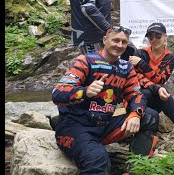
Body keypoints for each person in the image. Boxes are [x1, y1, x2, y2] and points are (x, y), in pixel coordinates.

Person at [52, 26, 159, 175]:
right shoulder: (85, 61)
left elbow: (136, 95)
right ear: (104, 40)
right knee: (99, 160)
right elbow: (57, 93)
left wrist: (135, 114)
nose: (119, 45)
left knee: (150, 117)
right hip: (75, 128)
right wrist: (85, 91)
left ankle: (135, 170)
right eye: (115, 40)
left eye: (124, 42)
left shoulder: (125, 67)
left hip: (103, 126)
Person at [128, 22, 174, 143]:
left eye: (158, 36)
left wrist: (142, 64)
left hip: (155, 96)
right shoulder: (140, 53)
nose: (154, 39)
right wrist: (157, 88)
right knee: (151, 93)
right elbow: (137, 79)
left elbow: (161, 79)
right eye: (151, 37)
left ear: (165, 37)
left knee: (161, 91)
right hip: (139, 98)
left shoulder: (170, 57)